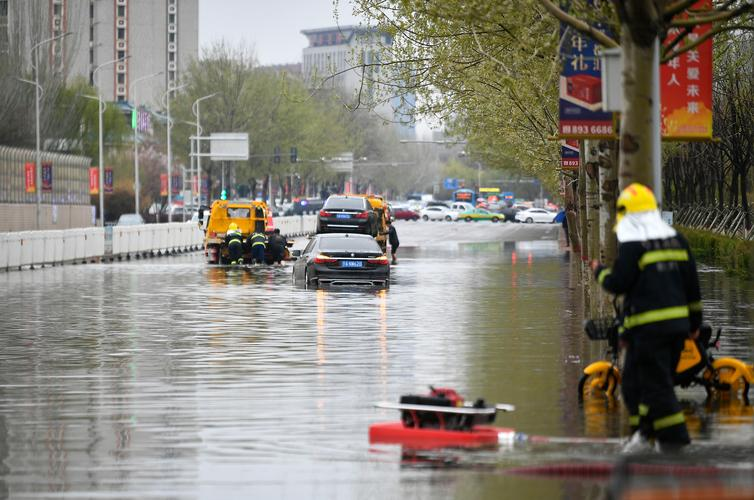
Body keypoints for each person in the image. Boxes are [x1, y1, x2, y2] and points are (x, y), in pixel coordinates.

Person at [591, 183, 701, 453]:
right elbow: (692, 286)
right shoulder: (678, 239)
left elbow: (619, 283)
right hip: (676, 330)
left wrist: (599, 272)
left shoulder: (633, 245)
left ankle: (675, 442)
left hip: (649, 331)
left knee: (655, 388)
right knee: (635, 384)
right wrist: (695, 324)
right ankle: (643, 434)